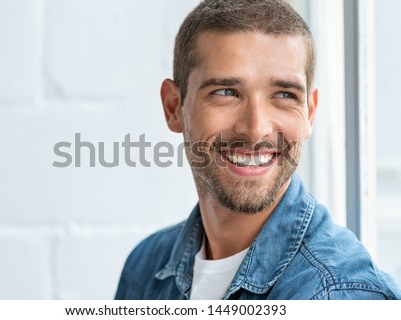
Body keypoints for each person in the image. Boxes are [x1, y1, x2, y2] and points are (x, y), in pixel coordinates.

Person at [115, 0, 401, 300]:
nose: (255, 128)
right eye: (226, 93)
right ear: (174, 107)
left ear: (309, 114)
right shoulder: (144, 269)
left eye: (284, 95)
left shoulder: (336, 297)